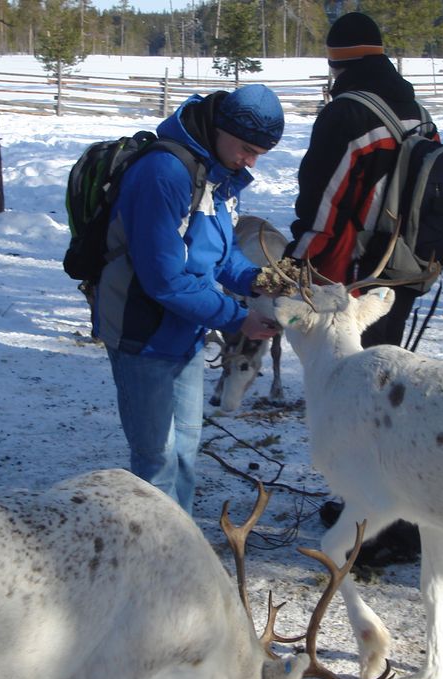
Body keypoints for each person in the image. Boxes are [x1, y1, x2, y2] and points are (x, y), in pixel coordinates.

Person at [97, 84, 282, 516]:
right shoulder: (164, 173)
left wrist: (257, 279)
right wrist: (238, 318)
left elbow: (219, 252)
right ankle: (154, 552)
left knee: (184, 455)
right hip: (142, 335)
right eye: (247, 149)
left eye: (260, 154)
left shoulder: (217, 175)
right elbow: (164, 279)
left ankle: (178, 546)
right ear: (221, 129)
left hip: (186, 333)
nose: (251, 161)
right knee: (157, 464)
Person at [290, 11, 431, 566]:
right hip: (405, 268)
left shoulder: (347, 114)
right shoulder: (415, 109)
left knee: (361, 407)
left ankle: (384, 530)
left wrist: (298, 265)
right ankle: (372, 513)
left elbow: (324, 205)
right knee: (387, 400)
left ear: (336, 62)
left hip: (356, 275)